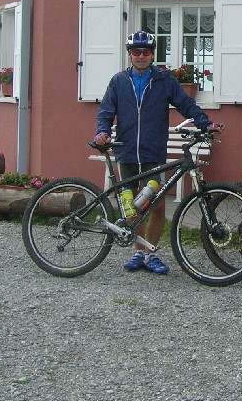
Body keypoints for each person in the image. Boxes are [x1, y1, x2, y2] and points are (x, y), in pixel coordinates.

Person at [93, 30, 222, 275]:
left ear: (153, 54)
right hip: (126, 150)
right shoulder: (119, 81)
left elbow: (186, 104)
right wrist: (102, 132)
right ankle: (138, 252)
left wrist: (205, 123)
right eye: (136, 52)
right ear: (130, 54)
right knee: (131, 207)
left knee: (156, 205)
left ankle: (150, 253)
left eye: (146, 52)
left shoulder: (164, 80)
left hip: (153, 151)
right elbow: (106, 111)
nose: (141, 56)